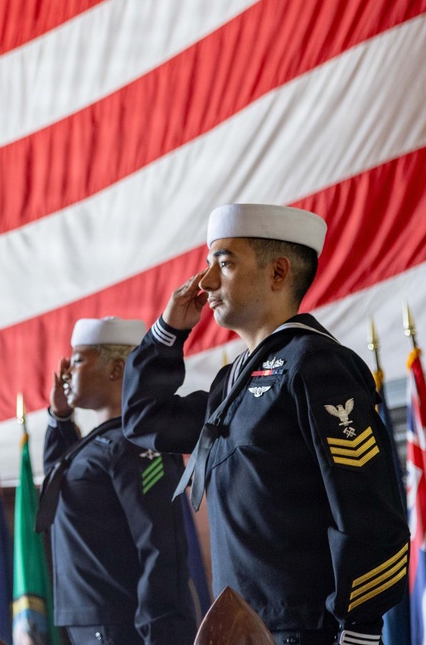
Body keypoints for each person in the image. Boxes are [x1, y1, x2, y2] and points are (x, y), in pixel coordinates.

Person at [121, 203, 409, 645]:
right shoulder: (230, 383)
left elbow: (367, 512)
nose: (207, 282)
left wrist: (359, 632)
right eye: (207, 264)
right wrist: (166, 333)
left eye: (225, 262)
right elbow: (143, 419)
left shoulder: (316, 363)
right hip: (241, 634)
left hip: (305, 633)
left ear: (277, 273)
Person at [35, 317, 198, 645]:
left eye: (78, 359)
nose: (66, 371)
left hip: (124, 628)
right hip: (90, 626)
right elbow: (58, 484)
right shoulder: (96, 444)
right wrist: (60, 417)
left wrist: (160, 634)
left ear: (116, 368)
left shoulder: (135, 443)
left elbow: (159, 544)